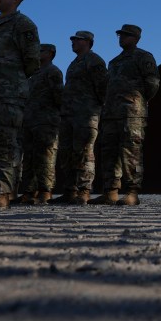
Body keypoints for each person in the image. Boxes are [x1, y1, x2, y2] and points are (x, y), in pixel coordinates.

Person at [89, 24, 159, 206]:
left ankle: (132, 191)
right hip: (111, 114)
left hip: (132, 114)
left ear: (136, 38)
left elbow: (152, 83)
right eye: (120, 35)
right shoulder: (114, 62)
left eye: (126, 35)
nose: (122, 38)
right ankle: (110, 191)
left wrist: (138, 101)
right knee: (109, 153)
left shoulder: (144, 57)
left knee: (132, 153)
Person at [0, 0, 40, 210]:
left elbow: (32, 61)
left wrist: (13, 80)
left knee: (6, 141)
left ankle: (2, 193)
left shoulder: (23, 25)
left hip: (10, 93)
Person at [49, 31, 107, 205]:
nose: (73, 42)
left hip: (86, 114)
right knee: (67, 153)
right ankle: (70, 190)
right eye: (73, 40)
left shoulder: (94, 60)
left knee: (84, 152)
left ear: (88, 42)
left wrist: (95, 108)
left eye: (77, 39)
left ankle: (84, 190)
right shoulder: (74, 64)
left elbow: (102, 87)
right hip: (68, 115)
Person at [13, 44, 63, 205]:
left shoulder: (53, 71)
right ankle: (29, 191)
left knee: (46, 156)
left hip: (46, 121)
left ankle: (45, 191)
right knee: (29, 157)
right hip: (30, 121)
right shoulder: (33, 75)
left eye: (40, 51)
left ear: (50, 53)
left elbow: (59, 96)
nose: (37, 54)